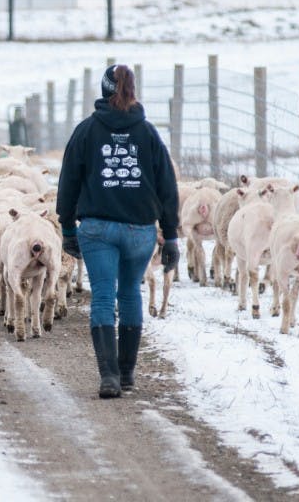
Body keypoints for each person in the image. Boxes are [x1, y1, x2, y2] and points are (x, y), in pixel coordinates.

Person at [56, 64, 179, 398]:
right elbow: (167, 187)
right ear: (131, 90)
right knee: (129, 294)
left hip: (97, 230)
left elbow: (68, 182)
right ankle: (127, 374)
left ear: (104, 89)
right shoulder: (148, 134)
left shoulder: (86, 131)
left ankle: (108, 376)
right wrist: (170, 235)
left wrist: (67, 227)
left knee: (103, 297)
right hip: (140, 230)